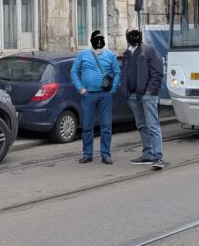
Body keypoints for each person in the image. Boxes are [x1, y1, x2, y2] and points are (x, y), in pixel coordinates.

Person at [70, 30, 121, 165]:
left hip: (105, 96)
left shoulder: (110, 55)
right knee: (87, 126)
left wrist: (113, 89)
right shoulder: (82, 55)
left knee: (106, 126)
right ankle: (87, 154)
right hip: (88, 96)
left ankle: (106, 154)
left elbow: (117, 72)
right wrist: (81, 89)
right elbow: (74, 72)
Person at [122, 28, 165, 170]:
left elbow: (158, 73)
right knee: (142, 125)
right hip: (133, 96)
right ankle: (148, 154)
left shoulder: (149, 50)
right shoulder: (127, 53)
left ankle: (158, 157)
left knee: (152, 125)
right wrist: (126, 92)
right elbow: (125, 74)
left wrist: (150, 91)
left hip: (147, 95)